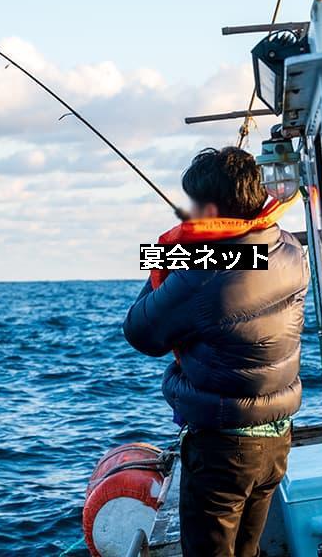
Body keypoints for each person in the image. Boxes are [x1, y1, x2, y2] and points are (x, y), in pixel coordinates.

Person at [122, 146, 309, 557]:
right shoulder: (289, 249)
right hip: (276, 438)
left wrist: (170, 255)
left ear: (208, 211)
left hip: (225, 449)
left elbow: (140, 331)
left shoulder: (202, 275)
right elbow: (244, 258)